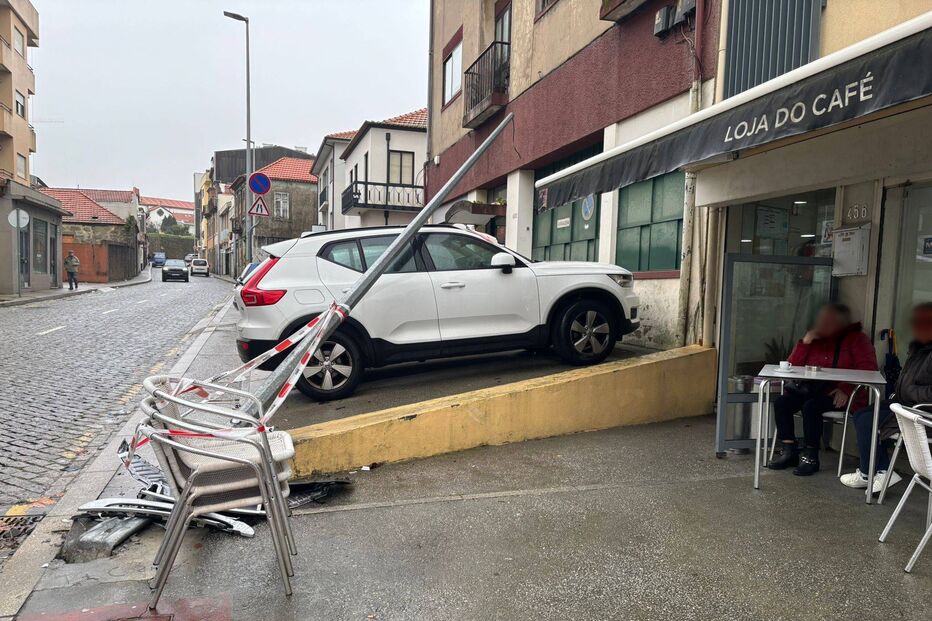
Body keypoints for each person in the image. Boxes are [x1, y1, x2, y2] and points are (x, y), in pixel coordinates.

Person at [767, 303, 878, 476]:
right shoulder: (816, 339)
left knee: (811, 407)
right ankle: (789, 451)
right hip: (809, 389)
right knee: (782, 402)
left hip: (840, 394)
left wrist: (846, 389)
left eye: (829, 320)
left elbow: (869, 370)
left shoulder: (857, 339)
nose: (823, 324)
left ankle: (811, 457)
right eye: (821, 320)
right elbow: (792, 366)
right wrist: (805, 342)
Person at [840, 302, 932, 492]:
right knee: (861, 413)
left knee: (868, 420)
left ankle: (874, 472)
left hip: (921, 413)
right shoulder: (919, 348)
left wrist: (907, 391)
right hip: (904, 404)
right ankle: (879, 472)